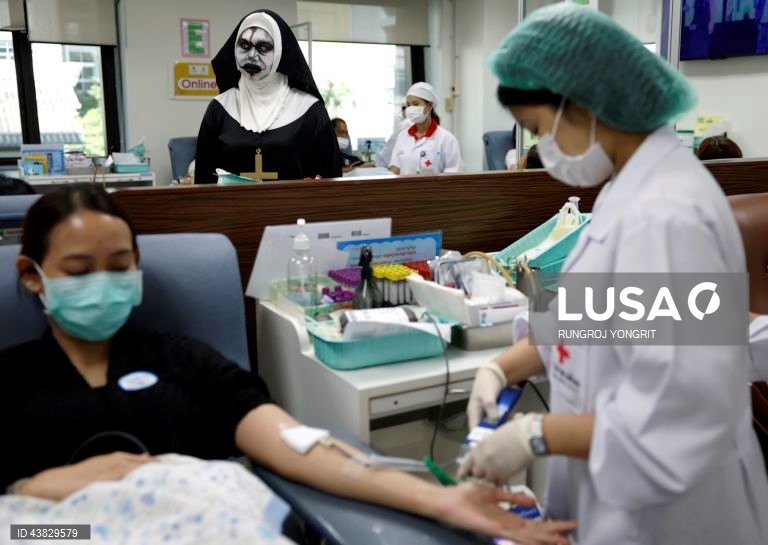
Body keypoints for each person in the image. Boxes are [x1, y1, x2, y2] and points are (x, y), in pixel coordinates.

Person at [0, 184, 576, 545]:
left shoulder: (183, 361)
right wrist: (42, 492)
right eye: (79, 271)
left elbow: (298, 444)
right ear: (32, 275)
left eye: (118, 265)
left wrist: (444, 492)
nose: (101, 283)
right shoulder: (8, 382)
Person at [459, 4, 768, 545]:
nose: (540, 151)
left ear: (583, 106)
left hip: (676, 517)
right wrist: (501, 369)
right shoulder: (631, 194)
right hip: (623, 497)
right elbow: (605, 317)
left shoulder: (669, 216)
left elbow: (677, 417)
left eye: (538, 129)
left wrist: (534, 434)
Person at [195, 10, 341, 183]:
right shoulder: (220, 108)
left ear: (279, 51)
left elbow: (331, 177)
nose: (251, 55)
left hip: (294, 209)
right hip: (233, 209)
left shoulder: (309, 109)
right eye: (244, 45)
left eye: (263, 47)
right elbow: (203, 180)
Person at [389, 82, 463, 175]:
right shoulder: (402, 137)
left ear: (429, 106)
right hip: (405, 189)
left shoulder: (447, 139)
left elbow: (453, 175)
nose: (411, 108)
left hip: (434, 189)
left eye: (415, 104)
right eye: (408, 105)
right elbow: (395, 168)